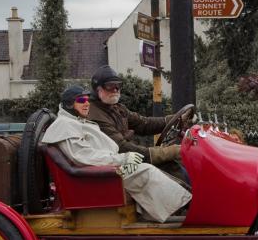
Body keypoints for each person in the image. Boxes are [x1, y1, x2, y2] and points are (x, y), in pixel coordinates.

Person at [41, 85, 191, 223]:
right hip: (98, 176)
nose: (87, 103)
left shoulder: (76, 121)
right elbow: (84, 156)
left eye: (87, 100)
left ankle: (176, 207)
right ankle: (188, 205)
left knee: (148, 167)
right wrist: (123, 159)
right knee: (146, 171)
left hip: (104, 170)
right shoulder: (65, 126)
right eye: (81, 100)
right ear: (69, 104)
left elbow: (143, 123)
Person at [87, 65, 194, 176]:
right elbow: (122, 148)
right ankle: (188, 193)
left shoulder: (117, 108)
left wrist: (174, 119)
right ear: (97, 89)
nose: (115, 89)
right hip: (121, 167)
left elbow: (143, 123)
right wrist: (167, 152)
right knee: (172, 168)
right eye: (110, 86)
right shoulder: (96, 116)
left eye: (118, 86)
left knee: (174, 165)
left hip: (131, 160)